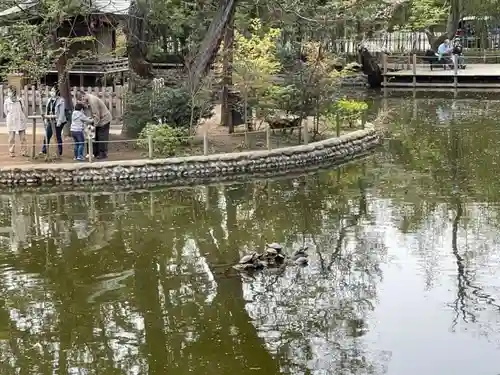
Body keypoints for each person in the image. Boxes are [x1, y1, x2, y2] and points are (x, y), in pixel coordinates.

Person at [76, 91, 112, 159]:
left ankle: (103, 153)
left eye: (82, 100)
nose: (82, 102)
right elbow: (86, 112)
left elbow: (96, 116)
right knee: (93, 136)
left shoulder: (92, 101)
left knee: (101, 136)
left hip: (104, 119)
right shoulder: (85, 101)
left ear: (84, 96)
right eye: (80, 101)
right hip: (93, 119)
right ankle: (94, 153)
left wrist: (93, 127)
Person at [41, 86, 67, 157]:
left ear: (57, 92)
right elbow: (47, 110)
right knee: (47, 134)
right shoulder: (49, 100)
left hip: (58, 120)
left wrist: (59, 121)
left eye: (53, 91)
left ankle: (59, 151)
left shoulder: (61, 100)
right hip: (50, 120)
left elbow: (61, 112)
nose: (52, 92)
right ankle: (44, 150)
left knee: (57, 136)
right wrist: (46, 119)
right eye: (51, 91)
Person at [3, 86, 27, 157]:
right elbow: (5, 111)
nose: (8, 93)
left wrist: (22, 116)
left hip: (20, 120)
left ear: (14, 92)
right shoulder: (7, 101)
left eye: (10, 91)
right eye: (8, 91)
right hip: (11, 120)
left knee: (22, 137)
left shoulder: (20, 99)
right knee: (11, 138)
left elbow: (24, 109)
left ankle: (24, 151)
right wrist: (10, 116)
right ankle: (11, 152)